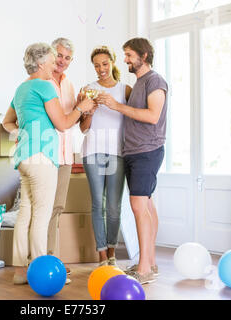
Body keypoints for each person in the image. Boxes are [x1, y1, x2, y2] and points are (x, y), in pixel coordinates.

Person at [2, 42, 94, 285]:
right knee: (42, 215)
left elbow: (6, 122)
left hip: (24, 157)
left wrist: (21, 132)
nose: (56, 64)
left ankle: (21, 271)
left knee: (26, 213)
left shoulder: (21, 88)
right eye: (53, 60)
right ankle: (42, 272)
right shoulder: (44, 86)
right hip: (42, 157)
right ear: (41, 63)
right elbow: (63, 123)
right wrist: (81, 108)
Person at [96, 38, 168, 285]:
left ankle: (145, 268)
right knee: (146, 206)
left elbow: (152, 116)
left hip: (147, 151)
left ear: (144, 55)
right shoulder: (139, 83)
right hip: (135, 152)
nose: (125, 59)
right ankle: (148, 262)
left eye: (129, 55)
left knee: (139, 206)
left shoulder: (155, 81)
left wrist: (116, 106)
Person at [79, 46, 132, 267]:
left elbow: (133, 119)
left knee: (113, 206)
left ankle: (112, 253)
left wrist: (113, 104)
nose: (101, 69)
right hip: (92, 151)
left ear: (112, 62)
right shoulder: (86, 90)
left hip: (117, 153)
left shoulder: (125, 90)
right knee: (97, 205)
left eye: (104, 64)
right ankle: (101, 256)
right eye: (96, 65)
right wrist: (90, 111)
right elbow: (83, 128)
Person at [46, 38, 77, 273]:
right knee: (42, 208)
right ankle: (39, 259)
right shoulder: (40, 81)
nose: (62, 61)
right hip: (45, 155)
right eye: (59, 55)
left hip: (66, 156)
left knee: (57, 208)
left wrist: (87, 109)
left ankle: (51, 259)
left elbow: (73, 120)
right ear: (49, 53)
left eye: (67, 57)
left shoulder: (69, 85)